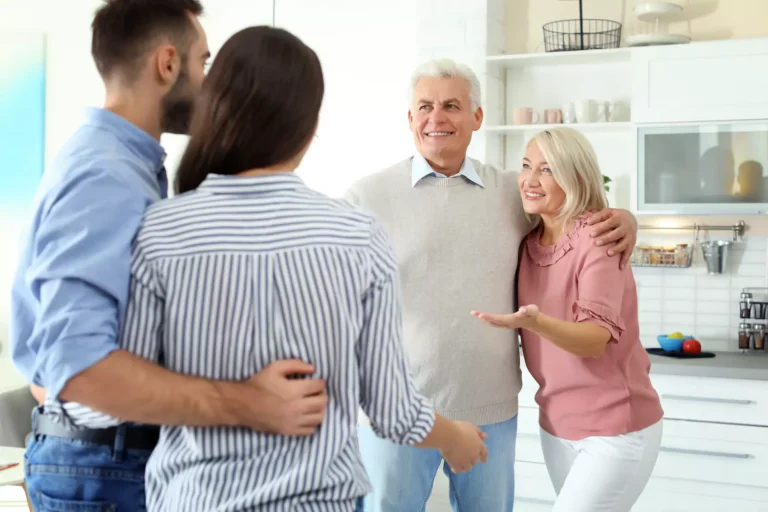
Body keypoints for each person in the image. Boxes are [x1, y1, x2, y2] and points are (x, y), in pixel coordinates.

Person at [116, 25, 489, 511]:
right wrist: (454, 438)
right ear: (310, 125)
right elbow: (394, 412)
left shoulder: (159, 229)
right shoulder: (357, 234)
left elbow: (121, 390)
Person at [10, 1, 327, 509]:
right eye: (203, 62)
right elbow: (78, 369)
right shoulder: (105, 175)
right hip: (105, 470)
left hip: (111, 463)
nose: (209, 83)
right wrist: (250, 403)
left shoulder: (123, 166)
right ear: (167, 64)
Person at [344, 59, 639, 511]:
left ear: (477, 118)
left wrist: (624, 218)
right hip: (399, 410)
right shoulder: (368, 196)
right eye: (424, 106)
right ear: (409, 119)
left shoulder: (511, 193)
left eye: (451, 106)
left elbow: (572, 219)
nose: (436, 118)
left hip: (491, 409)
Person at [472, 127, 664, 512]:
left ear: (575, 177)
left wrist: (534, 322)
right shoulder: (528, 244)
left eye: (547, 169)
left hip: (614, 427)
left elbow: (595, 339)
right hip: (556, 424)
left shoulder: (597, 238)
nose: (529, 179)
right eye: (526, 166)